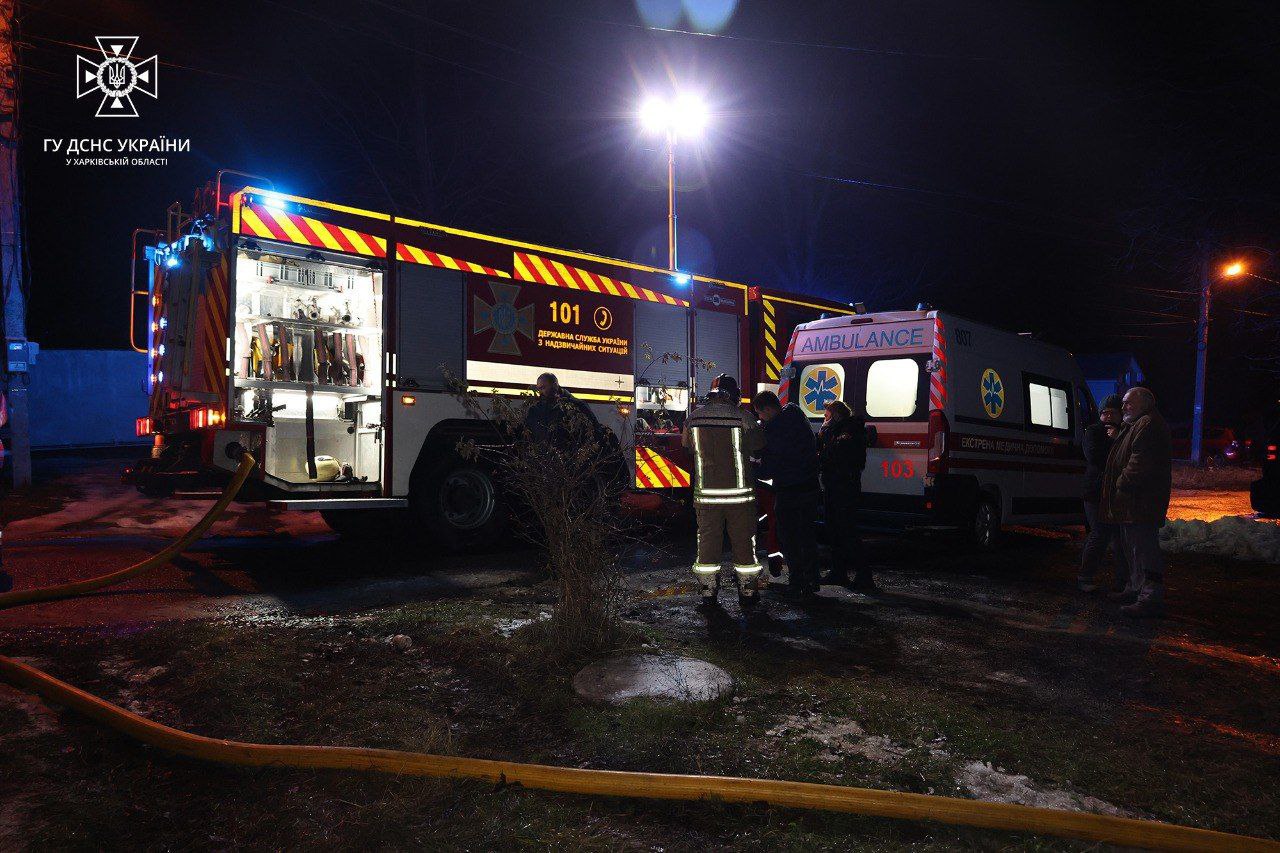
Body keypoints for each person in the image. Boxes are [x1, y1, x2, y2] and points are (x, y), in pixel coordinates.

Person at [682, 374, 765, 608]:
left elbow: (687, 446)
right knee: (743, 544)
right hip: (740, 496)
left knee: (708, 544)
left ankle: (709, 592)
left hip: (707, 496)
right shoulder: (745, 418)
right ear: (734, 395)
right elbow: (759, 446)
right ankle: (748, 593)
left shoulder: (693, 419)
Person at [1101, 387, 1173, 618]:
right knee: (1133, 549)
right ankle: (1135, 589)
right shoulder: (1138, 423)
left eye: (1128, 403)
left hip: (1140, 501)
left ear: (1144, 403)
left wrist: (1121, 483)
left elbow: (1139, 463)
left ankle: (1149, 597)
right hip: (1132, 502)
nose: (1123, 408)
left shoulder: (1148, 425)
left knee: (1144, 549)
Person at [752, 390, 822, 598]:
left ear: (767, 409)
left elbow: (771, 465)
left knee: (789, 536)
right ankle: (812, 580)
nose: (759, 418)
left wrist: (754, 469)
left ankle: (797, 580)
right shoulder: (798, 418)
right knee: (807, 535)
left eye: (759, 414)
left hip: (789, 490)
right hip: (809, 486)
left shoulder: (776, 429)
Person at [817, 400, 877, 591]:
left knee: (847, 531)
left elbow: (834, 456)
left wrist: (824, 436)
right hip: (834, 486)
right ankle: (838, 572)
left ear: (835, 416)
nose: (824, 420)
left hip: (844, 487)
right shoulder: (840, 431)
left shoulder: (849, 432)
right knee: (834, 530)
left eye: (826, 416)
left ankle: (864, 575)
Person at [1078, 394, 1129, 593]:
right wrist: (1113, 442)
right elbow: (1096, 458)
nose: (1107, 417)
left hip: (1116, 493)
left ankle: (1122, 581)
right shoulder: (1093, 432)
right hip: (1095, 492)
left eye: (1112, 413)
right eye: (1104, 413)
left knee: (1119, 538)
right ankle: (1085, 576)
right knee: (1099, 533)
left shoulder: (1124, 432)